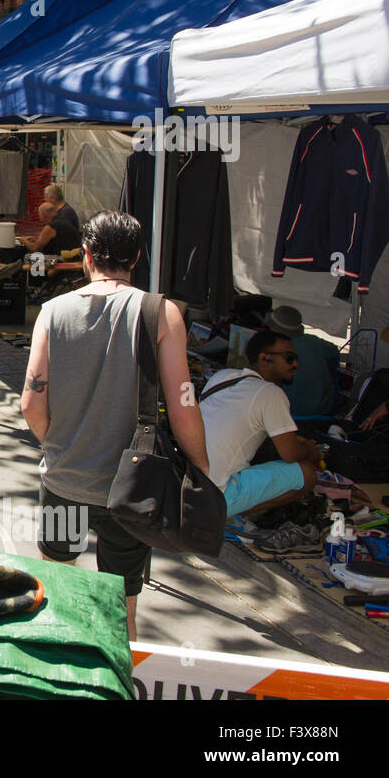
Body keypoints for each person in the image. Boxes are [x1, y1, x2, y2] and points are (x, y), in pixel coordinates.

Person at [21, 210, 209, 640]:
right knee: (121, 611)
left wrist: (62, 445)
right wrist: (199, 469)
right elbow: (183, 408)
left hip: (64, 478)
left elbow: (31, 404)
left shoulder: (52, 311)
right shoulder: (162, 314)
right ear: (137, 257)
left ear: (86, 255)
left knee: (56, 595)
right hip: (131, 486)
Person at [199, 329, 320, 521]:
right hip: (216, 493)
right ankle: (223, 514)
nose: (295, 364)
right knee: (306, 473)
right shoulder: (270, 393)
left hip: (190, 483)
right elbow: (291, 454)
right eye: (289, 358)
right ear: (265, 359)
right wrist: (311, 451)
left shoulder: (222, 376)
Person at [262, 306, 341, 417]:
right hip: (324, 409)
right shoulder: (316, 342)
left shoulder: (274, 349)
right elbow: (334, 353)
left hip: (291, 411)